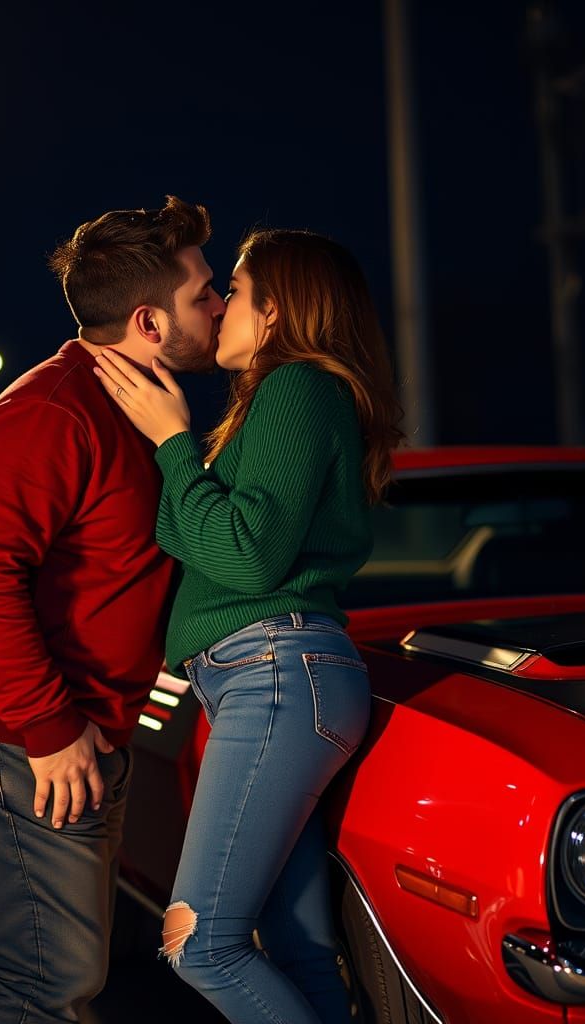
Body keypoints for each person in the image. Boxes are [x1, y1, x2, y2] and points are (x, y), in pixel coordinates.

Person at [0, 195, 226, 1024]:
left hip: (47, 729)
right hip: (17, 735)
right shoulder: (52, 412)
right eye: (205, 293)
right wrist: (49, 728)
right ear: (151, 322)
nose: (221, 304)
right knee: (53, 976)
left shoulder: (135, 412)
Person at [94, 228, 403, 1024]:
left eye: (236, 288)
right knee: (294, 947)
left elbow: (243, 552)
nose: (220, 303)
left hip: (274, 675)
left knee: (200, 943)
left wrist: (170, 442)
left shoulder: (297, 389)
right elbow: (201, 536)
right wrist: (180, 449)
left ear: (278, 312)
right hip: (275, 678)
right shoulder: (286, 399)